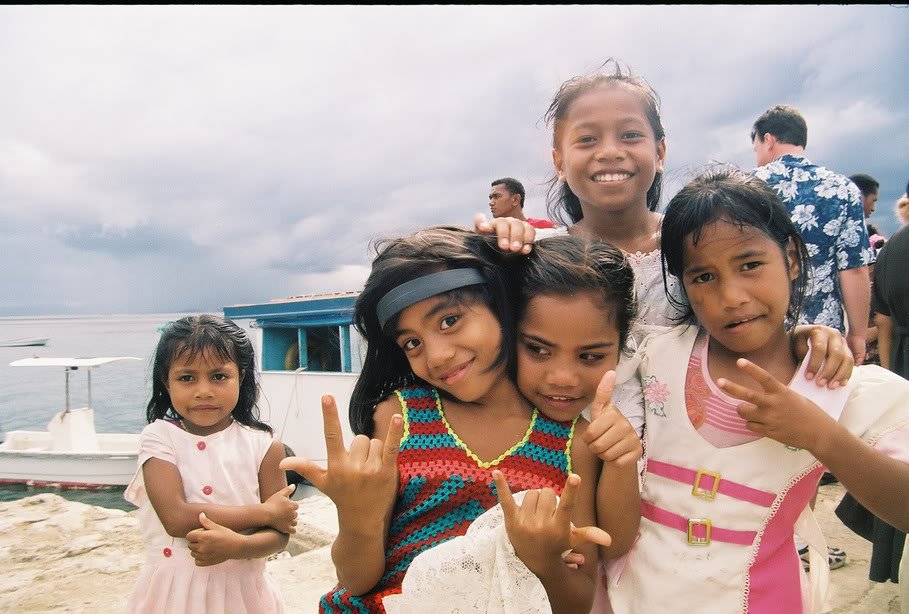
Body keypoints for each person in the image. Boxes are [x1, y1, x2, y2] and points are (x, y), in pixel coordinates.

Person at [477, 60, 855, 437]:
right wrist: (494, 255)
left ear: (660, 153)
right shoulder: (538, 254)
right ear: (559, 161)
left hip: (689, 458)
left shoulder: (695, 249)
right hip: (575, 458)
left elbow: (738, 320)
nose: (609, 151)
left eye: (629, 135)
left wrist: (802, 336)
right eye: (587, 139)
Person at [604, 168, 909, 614]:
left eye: (750, 265)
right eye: (703, 276)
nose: (731, 296)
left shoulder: (835, 386)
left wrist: (820, 436)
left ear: (790, 259)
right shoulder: (654, 356)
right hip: (632, 596)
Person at [281, 226, 615, 613]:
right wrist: (357, 517)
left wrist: (545, 565)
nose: (436, 355)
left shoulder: (573, 443)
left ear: (501, 304)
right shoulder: (398, 419)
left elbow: (579, 600)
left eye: (449, 320)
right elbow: (357, 580)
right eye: (412, 343)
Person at [125, 315, 298, 613]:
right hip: (173, 594)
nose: (203, 390)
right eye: (187, 377)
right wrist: (265, 512)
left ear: (241, 377)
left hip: (245, 596)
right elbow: (176, 518)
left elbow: (279, 534)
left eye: (218, 376)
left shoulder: (265, 444)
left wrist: (239, 547)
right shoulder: (158, 438)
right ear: (166, 381)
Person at [511, 234, 645, 610]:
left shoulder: (582, 438)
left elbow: (611, 543)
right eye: (538, 350)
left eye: (590, 356)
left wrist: (621, 461)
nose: (563, 378)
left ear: (620, 347)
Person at [752, 105, 874, 366]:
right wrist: (858, 334)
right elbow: (854, 270)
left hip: (760, 335)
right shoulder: (843, 189)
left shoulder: (746, 187)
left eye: (756, 148)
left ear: (768, 139)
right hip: (823, 340)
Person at [489, 177, 555, 229]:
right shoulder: (488, 233)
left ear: (515, 199)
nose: (491, 203)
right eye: (490, 198)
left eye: (496, 196)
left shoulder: (548, 228)